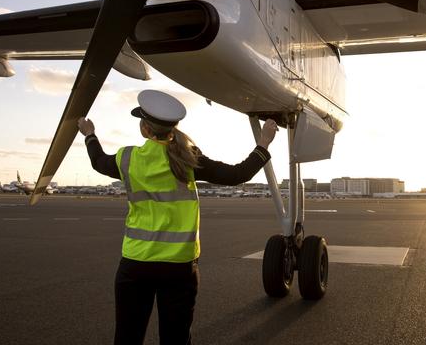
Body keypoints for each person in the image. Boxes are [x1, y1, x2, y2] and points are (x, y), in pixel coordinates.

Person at [77, 89, 278, 345]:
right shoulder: (188, 158)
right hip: (179, 268)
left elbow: (98, 162)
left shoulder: (127, 159)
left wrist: (89, 134)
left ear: (144, 128)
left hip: (135, 264)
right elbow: (237, 174)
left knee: (127, 336)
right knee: (176, 338)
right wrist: (264, 142)